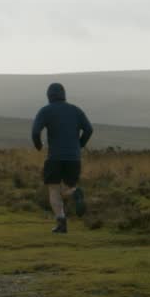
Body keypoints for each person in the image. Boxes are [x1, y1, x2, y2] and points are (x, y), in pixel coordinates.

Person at [31, 82, 93, 233]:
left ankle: (61, 223)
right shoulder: (76, 110)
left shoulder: (46, 111)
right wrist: (79, 145)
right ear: (64, 94)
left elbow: (35, 131)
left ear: (49, 96)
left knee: (53, 189)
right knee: (68, 187)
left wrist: (38, 145)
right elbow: (89, 129)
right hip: (74, 158)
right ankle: (74, 193)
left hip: (55, 157)